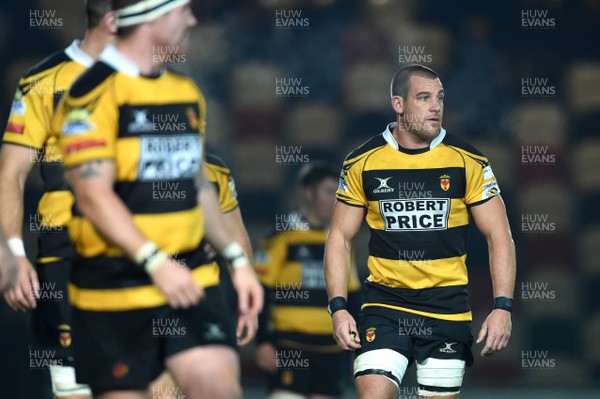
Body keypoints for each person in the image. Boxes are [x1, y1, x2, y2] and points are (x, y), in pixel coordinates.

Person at [52, 0, 262, 398]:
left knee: (219, 388)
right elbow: (93, 197)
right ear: (154, 17)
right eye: (184, 10)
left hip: (191, 280)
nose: (193, 20)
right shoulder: (91, 93)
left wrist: (236, 262)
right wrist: (156, 262)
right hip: (115, 287)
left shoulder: (185, 92)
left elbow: (197, 187)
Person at [324, 64, 516, 399]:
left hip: (447, 310)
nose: (436, 106)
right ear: (398, 105)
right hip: (385, 306)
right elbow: (339, 238)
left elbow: (500, 236)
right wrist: (338, 307)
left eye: (439, 98)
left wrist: (502, 306)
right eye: (424, 98)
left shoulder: (468, 160)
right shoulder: (362, 162)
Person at [0, 1, 115, 397]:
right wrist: (13, 253)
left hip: (144, 254)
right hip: (66, 254)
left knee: (159, 377)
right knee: (73, 385)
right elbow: (10, 172)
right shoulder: (42, 82)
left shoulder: (157, 81)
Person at [148, 152, 257, 397]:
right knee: (162, 389)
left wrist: (245, 300)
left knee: (218, 386)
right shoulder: (134, 156)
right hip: (150, 290)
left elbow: (236, 235)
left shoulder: (215, 170)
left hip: (205, 290)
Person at [255, 161, 361, 399]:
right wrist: (263, 341)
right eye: (327, 192)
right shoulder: (282, 235)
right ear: (308, 193)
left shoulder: (341, 241)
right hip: (290, 345)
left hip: (331, 348)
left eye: (339, 193)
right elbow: (261, 290)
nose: (335, 200)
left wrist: (358, 345)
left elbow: (352, 295)